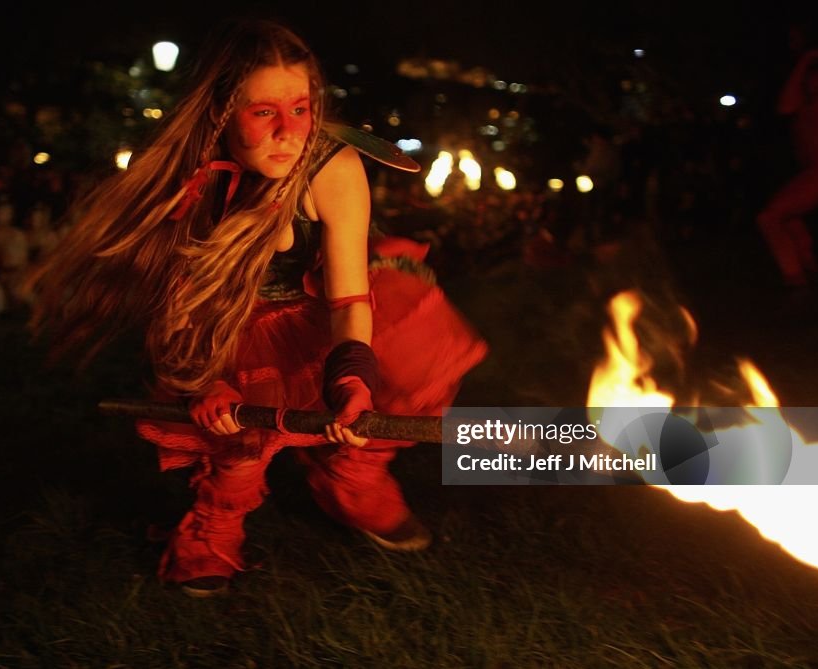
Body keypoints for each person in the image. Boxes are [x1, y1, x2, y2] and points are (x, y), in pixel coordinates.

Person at [25, 19, 487, 598]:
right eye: (264, 112)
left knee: (409, 353)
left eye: (301, 107)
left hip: (318, 315)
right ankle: (217, 523)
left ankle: (351, 476)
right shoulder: (188, 182)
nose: (289, 132)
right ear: (222, 110)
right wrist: (207, 383)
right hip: (222, 327)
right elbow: (178, 307)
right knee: (239, 437)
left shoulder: (332, 167)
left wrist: (352, 375)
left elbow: (349, 297)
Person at [757, 44, 818, 288]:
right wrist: (807, 61)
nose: (809, 82)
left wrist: (812, 59)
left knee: (770, 217)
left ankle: (796, 280)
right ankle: (808, 270)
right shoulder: (808, 105)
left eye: (816, 76)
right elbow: (785, 107)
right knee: (789, 218)